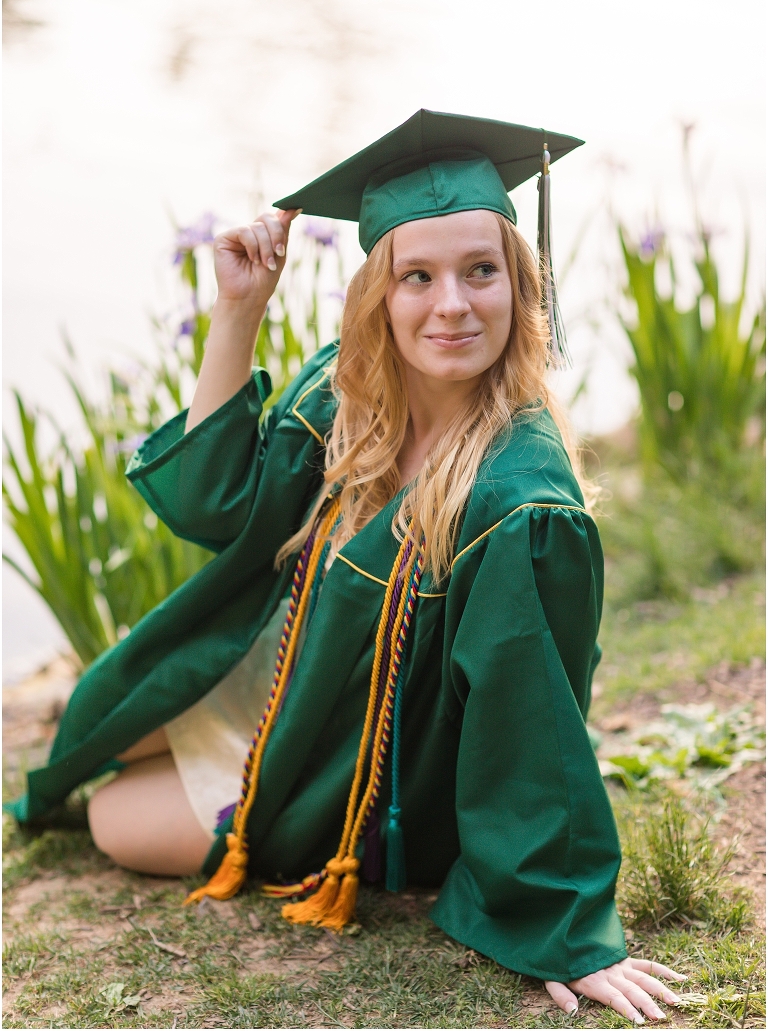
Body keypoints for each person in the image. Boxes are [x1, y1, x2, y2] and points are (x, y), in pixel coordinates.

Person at [9, 111, 686, 1022]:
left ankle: (259, 805)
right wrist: (239, 310)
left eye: (480, 271)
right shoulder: (349, 394)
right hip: (271, 673)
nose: (452, 304)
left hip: (353, 760)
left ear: (519, 285)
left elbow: (530, 711)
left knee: (111, 819)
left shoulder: (520, 501)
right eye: (420, 276)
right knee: (98, 726)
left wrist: (557, 920)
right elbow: (218, 509)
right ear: (381, 293)